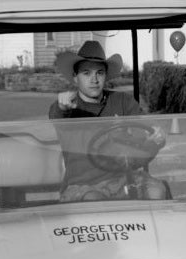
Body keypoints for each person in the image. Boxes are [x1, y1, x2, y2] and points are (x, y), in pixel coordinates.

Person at [49, 40, 167, 201]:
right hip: (81, 185)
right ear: (75, 78)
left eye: (99, 73)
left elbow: (144, 135)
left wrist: (156, 139)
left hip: (124, 178)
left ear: (106, 75)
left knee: (157, 191)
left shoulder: (123, 101)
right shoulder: (68, 106)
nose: (94, 79)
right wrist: (62, 106)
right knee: (95, 200)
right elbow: (57, 115)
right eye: (86, 73)